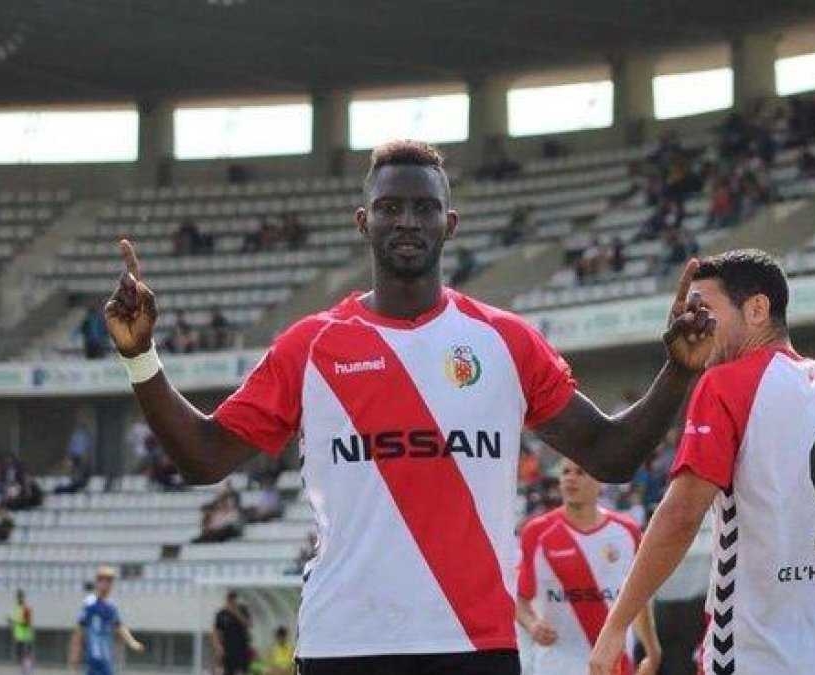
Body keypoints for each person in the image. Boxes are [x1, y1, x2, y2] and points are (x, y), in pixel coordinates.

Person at [104, 140, 716, 675]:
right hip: (347, 640)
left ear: (449, 224)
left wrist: (678, 371)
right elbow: (204, 458)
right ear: (362, 220)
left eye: (423, 207)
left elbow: (611, 455)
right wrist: (141, 358)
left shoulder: (504, 341)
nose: (407, 221)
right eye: (391, 207)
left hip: (473, 642)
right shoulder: (311, 345)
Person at [589, 250, 815, 675]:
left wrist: (617, 623)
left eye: (704, 311)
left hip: (762, 656)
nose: (692, 325)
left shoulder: (726, 384)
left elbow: (681, 514)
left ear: (757, 309)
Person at [516, 459, 660, 675]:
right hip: (556, 666)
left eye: (580, 472)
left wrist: (651, 649)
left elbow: (638, 601)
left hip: (615, 665)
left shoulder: (626, 532)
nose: (571, 478)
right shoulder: (537, 533)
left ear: (600, 481)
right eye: (566, 472)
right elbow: (518, 598)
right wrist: (532, 624)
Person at [70, 567, 144, 675]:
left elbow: (119, 625)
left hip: (107, 655)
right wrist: (74, 659)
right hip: (95, 656)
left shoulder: (111, 605)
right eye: (104, 580)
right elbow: (79, 632)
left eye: (110, 581)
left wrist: (132, 642)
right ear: (98, 582)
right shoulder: (90, 603)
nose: (107, 584)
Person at [213, 591, 253, 675]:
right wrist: (218, 647)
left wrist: (236, 613)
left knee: (242, 671)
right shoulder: (221, 614)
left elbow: (248, 624)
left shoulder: (243, 610)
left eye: (234, 600)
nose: (232, 602)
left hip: (242, 648)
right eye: (230, 600)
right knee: (227, 671)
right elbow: (217, 632)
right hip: (227, 649)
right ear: (227, 600)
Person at [9, 589, 36, 675]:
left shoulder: (26, 609)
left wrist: (14, 621)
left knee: (26, 657)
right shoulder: (16, 608)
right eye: (17, 597)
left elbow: (27, 623)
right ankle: (22, 672)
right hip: (18, 637)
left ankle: (28, 673)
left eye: (20, 596)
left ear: (23, 597)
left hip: (26, 637)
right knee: (19, 658)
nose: (18, 598)